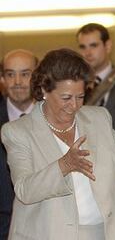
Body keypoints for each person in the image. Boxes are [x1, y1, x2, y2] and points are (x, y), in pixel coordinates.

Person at [1, 48, 115, 240]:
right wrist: (63, 165)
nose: (74, 105)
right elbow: (24, 190)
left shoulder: (99, 118)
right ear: (44, 90)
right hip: (46, 233)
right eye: (66, 98)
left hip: (103, 233)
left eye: (80, 96)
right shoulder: (18, 131)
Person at [76, 23, 115, 239]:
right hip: (83, 179)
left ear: (108, 45)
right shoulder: (74, 87)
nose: (87, 52)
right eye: (82, 47)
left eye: (93, 45)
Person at [0, 49, 37, 240]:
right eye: (10, 74)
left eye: (25, 74)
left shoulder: (57, 117)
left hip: (47, 226)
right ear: (2, 78)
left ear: (37, 76)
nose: (17, 82)